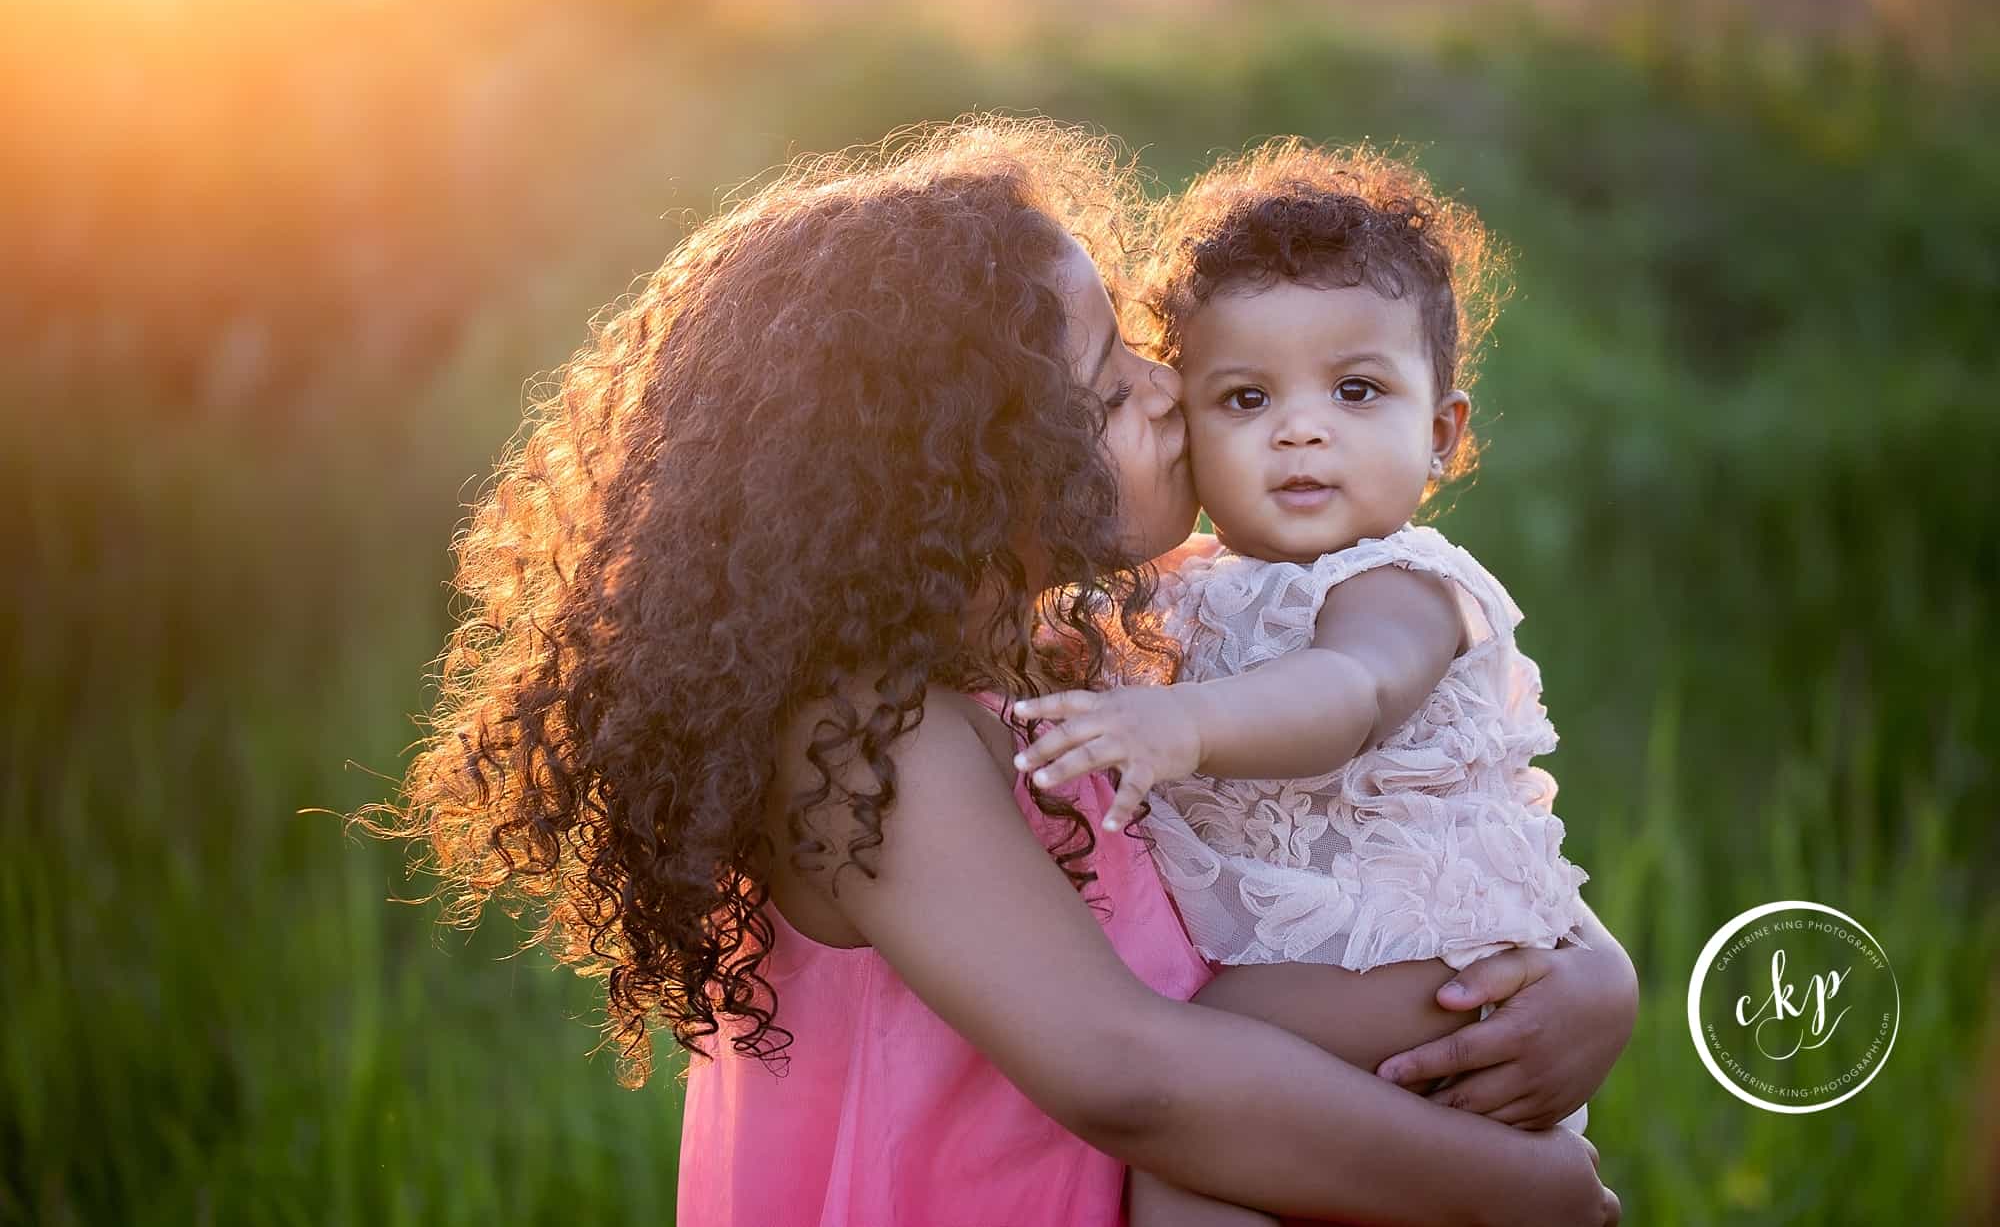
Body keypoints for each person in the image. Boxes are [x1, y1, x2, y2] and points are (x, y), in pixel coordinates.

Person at [368, 117, 1631, 1225]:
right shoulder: (869, 744)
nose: (1166, 387)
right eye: (1105, 382)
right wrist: (1512, 1190)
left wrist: (1588, 979)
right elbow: (1125, 1070)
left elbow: (1401, 833)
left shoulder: (1098, 654)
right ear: (954, 469)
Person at [1010, 140, 1607, 1225]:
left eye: (1354, 389)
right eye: (1243, 396)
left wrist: (1178, 723)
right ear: (1186, 417)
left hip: (1417, 950)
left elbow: (1348, 692)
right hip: (1317, 954)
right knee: (1238, 1137)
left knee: (1204, 1100)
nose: (1299, 426)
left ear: (1439, 434)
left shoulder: (1400, 583)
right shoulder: (1178, 586)